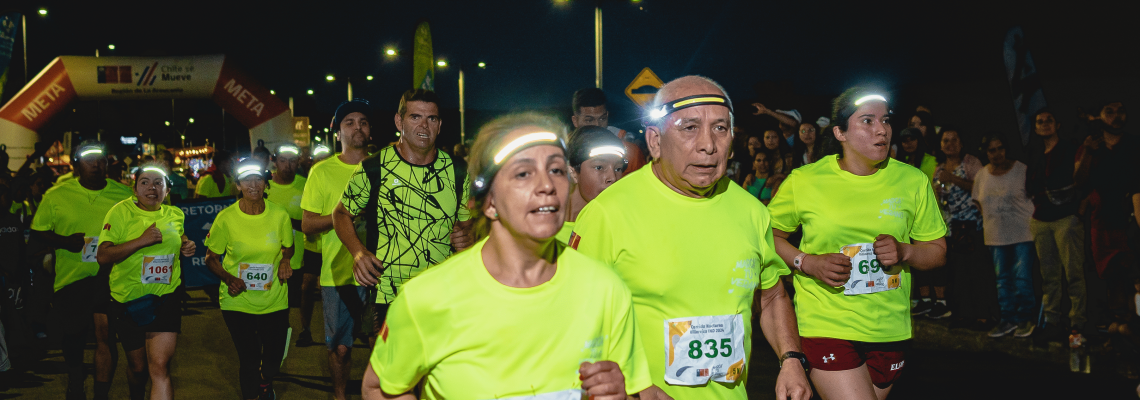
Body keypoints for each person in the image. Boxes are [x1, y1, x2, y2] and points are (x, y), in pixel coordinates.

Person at [360, 113, 650, 399]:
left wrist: (618, 394)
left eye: (557, 170)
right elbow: (378, 389)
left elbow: (634, 388)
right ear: (488, 202)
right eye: (523, 173)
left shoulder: (606, 290)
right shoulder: (427, 299)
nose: (547, 186)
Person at [574, 76, 811, 400]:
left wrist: (791, 359)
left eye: (720, 128)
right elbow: (575, 318)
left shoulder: (752, 212)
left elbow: (771, 297)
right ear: (655, 141)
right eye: (689, 128)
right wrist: (631, 387)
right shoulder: (607, 214)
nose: (708, 144)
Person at [768, 88, 947, 400]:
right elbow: (768, 236)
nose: (882, 130)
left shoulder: (912, 180)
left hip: (890, 328)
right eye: (867, 121)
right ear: (840, 132)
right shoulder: (805, 181)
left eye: (886, 121)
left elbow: (937, 251)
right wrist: (806, 262)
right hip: (827, 324)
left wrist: (906, 251)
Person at [333, 89, 473, 350]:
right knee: (393, 379)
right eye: (415, 117)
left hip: (441, 291)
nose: (424, 125)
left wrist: (466, 236)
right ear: (399, 122)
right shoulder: (374, 167)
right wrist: (358, 253)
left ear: (440, 125)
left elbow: (465, 226)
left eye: (432, 119)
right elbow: (340, 213)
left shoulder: (457, 171)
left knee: (434, 376)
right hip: (390, 293)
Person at [30, 141, 134, 400]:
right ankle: (76, 378)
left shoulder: (123, 195)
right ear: (76, 165)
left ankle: (102, 393)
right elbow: (37, 232)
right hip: (71, 279)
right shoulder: (56, 195)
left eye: (100, 160)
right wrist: (65, 242)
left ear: (108, 163)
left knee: (107, 339)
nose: (96, 165)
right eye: (89, 160)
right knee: (72, 336)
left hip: (111, 278)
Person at [97, 163, 195, 400]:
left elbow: (179, 236)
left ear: (167, 190)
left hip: (166, 298)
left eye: (158, 183)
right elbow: (103, 256)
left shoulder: (175, 214)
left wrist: (186, 244)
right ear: (135, 188)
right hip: (128, 300)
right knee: (138, 369)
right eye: (145, 182)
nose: (152, 188)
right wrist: (141, 241)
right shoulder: (120, 212)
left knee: (159, 366)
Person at [300, 98, 373, 400]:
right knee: (340, 349)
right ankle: (339, 395)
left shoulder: (385, 165)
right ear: (338, 132)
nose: (358, 127)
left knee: (386, 344)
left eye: (364, 122)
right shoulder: (322, 171)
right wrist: (341, 217)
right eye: (350, 122)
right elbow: (307, 225)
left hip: (385, 270)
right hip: (339, 274)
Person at [204, 159, 294, 400]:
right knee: (249, 358)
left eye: (258, 179)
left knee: (274, 359)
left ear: (266, 184)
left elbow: (289, 247)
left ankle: (266, 381)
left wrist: (285, 261)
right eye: (247, 180)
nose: (253, 184)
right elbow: (210, 258)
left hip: (273, 298)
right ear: (238, 185)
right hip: (238, 300)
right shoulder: (226, 218)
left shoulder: (279, 214)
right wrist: (228, 277)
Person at [1025, 108, 1088, 344]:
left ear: (1057, 124)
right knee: (1048, 275)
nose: (1044, 124)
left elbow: (1083, 179)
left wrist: (1078, 211)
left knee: (1073, 273)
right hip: (1041, 218)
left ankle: (1077, 323)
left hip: (1065, 217)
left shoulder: (1069, 149)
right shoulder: (1034, 153)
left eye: (1048, 120)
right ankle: (1052, 321)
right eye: (1040, 121)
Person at [1076, 101, 1138, 320]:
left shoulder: (1134, 145)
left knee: (1133, 279)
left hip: (1131, 223)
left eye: (1121, 111)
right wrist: (1087, 153)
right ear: (1100, 117)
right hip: (1101, 223)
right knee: (1110, 279)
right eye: (1109, 112)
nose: (1116, 116)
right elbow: (1079, 182)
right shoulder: (1091, 146)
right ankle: (1116, 331)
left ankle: (1132, 330)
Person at [972, 133, 1036, 338]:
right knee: (1002, 280)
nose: (997, 153)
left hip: (1022, 235)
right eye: (992, 150)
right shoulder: (982, 174)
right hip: (996, 237)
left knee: (1022, 278)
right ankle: (1007, 319)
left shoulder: (1021, 170)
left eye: (1000, 148)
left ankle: (1025, 318)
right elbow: (978, 201)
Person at [930, 126, 996, 326]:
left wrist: (954, 180)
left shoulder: (971, 162)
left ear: (961, 143)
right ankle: (962, 313)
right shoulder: (939, 168)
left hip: (972, 226)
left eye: (953, 140)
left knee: (976, 271)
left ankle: (983, 314)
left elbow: (980, 187)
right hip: (950, 229)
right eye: (945, 141)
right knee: (957, 273)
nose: (950, 144)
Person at [263, 144, 311, 344]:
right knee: (273, 299)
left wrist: (287, 221)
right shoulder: (264, 186)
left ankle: (305, 330)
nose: (288, 165)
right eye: (283, 160)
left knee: (298, 297)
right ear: (275, 161)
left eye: (293, 161)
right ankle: (276, 335)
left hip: (298, 253)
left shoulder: (305, 184)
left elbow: (311, 220)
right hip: (268, 254)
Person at [559, 125, 627, 244]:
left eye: (618, 168)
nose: (612, 178)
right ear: (573, 172)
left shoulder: (621, 224)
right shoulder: (545, 227)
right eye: (599, 167)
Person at [571, 87, 647, 173]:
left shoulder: (631, 153)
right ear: (575, 121)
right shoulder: (564, 153)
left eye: (602, 119)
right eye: (589, 120)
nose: (597, 125)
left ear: (607, 116)